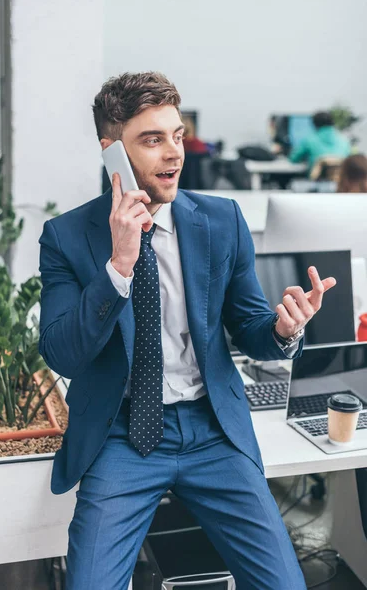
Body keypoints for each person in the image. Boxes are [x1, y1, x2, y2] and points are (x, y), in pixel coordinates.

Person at [38, 72, 336, 590]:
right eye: (153, 140)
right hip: (122, 437)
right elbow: (63, 354)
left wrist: (284, 330)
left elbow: (250, 327)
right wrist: (119, 265)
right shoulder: (66, 236)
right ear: (111, 151)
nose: (174, 153)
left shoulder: (220, 220)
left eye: (177, 135)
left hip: (212, 431)